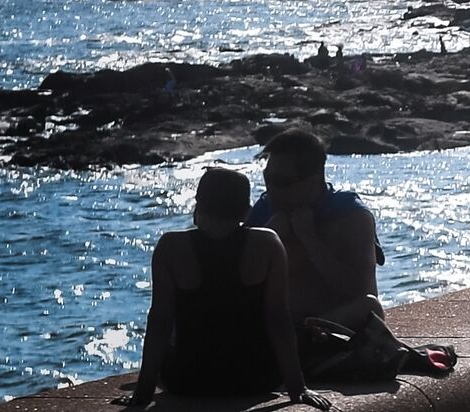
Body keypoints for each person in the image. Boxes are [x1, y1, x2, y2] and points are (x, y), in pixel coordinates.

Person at [114, 168, 329, 409]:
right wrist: (298, 389)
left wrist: (142, 394)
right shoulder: (268, 244)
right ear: (246, 211)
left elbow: (160, 322)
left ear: (198, 207)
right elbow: (278, 318)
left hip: (186, 380)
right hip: (257, 378)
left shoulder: (171, 247)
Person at [247, 129, 383, 329]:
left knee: (370, 306)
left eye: (281, 182)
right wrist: (267, 241)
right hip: (280, 325)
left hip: (336, 327)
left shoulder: (349, 214)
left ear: (311, 181)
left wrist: (310, 239)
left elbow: (359, 288)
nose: (271, 189)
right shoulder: (264, 210)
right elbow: (239, 282)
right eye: (267, 179)